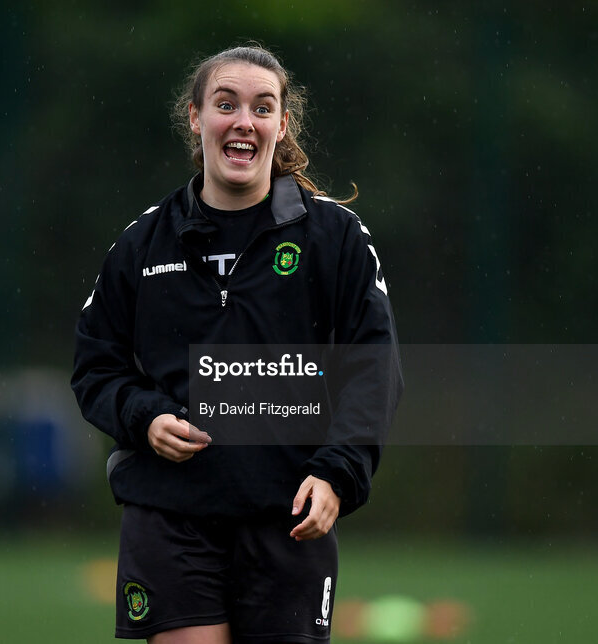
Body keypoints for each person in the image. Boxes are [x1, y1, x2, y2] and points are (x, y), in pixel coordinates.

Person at [72, 44, 402, 643]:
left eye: (262, 107)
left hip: (288, 518)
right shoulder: (144, 244)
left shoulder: (336, 238)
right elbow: (96, 366)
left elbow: (373, 365)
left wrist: (338, 472)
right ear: (197, 118)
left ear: (281, 124)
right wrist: (144, 418)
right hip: (171, 516)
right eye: (226, 104)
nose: (243, 121)